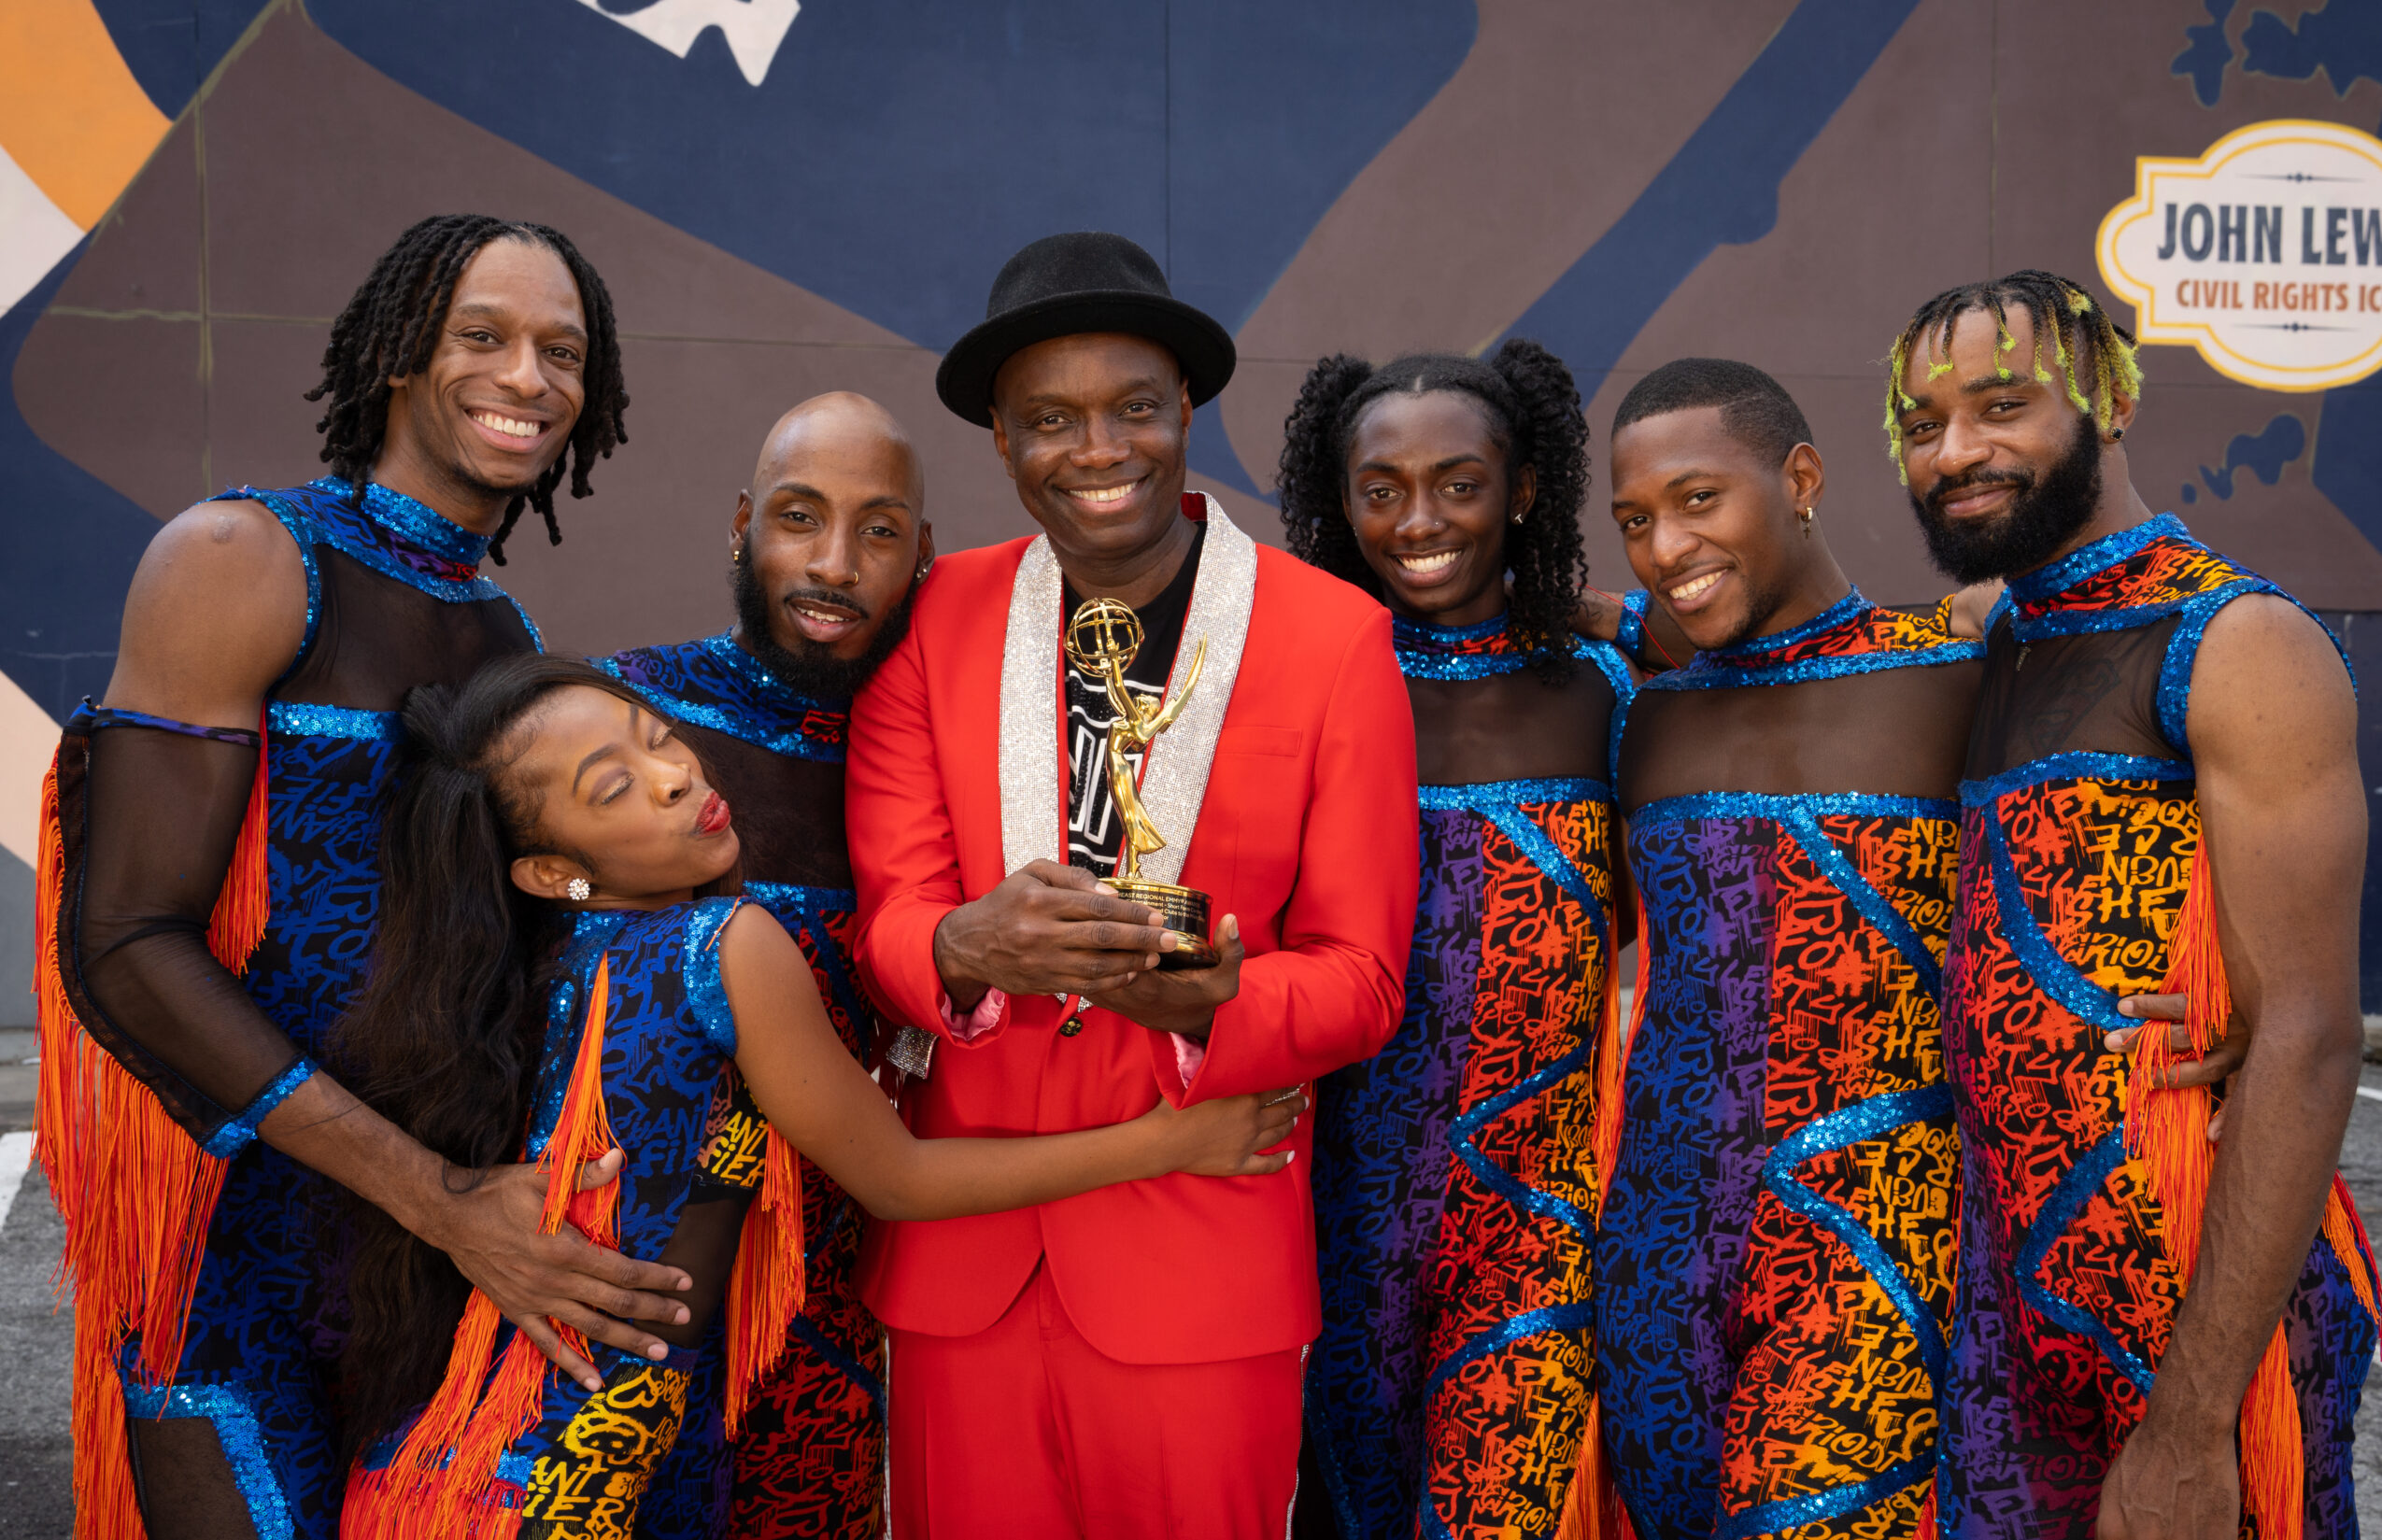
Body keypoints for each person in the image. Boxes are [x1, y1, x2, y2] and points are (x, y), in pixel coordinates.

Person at [30, 215, 707, 1537]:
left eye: (563, 352)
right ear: (399, 352)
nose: (527, 378)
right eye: (483, 335)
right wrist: (434, 1195)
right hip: (235, 1244)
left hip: (430, 1263)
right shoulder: (241, 557)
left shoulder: (505, 628)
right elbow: (125, 942)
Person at [332, 654, 1303, 1535]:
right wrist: (1167, 1141)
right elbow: (898, 1176)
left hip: (425, 1478)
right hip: (568, 1492)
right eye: (615, 787)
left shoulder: (533, 977)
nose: (674, 776)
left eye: (659, 736)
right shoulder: (727, 946)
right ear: (552, 871)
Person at [844, 230, 1419, 1534]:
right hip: (962, 1275)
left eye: (1133, 408)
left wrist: (1211, 1010)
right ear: (1002, 439)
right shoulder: (931, 618)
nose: (1098, 449)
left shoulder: (1334, 638)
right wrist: (963, 949)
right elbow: (890, 926)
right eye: (1052, 419)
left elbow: (1364, 978)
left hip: (1202, 1261)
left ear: (1186, 411)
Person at [1888, 271, 2379, 1538]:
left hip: (2192, 1315)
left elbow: (2308, 1036)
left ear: (2108, 402)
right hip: (2005, 1318)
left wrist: (2191, 1423)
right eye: (1925, 423)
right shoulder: (1991, 632)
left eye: (2002, 406)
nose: (1955, 451)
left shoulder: (2235, 641)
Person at [1593, 359, 1980, 1538]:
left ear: (1801, 477)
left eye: (1698, 499)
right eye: (1634, 521)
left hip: (1874, 1252)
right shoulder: (1649, 716)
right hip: (1659, 1261)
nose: (1665, 546)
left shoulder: (1956, 677)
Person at [1277, 342, 1631, 1540]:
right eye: (1381, 490)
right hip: (1337, 1227)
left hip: (1540, 1233)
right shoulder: (1311, 685)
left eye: (1460, 483)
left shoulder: (1603, 686)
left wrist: (1614, 610)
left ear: (1523, 489)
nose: (1419, 521)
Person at [601, 391, 929, 1539]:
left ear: (922, 555)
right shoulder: (626, 714)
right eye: (800, 517)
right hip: (623, 1279)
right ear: (743, 524)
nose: (834, 564)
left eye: (879, 530)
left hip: (834, 1301)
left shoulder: (941, 754)